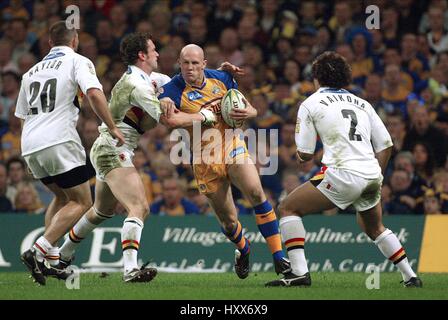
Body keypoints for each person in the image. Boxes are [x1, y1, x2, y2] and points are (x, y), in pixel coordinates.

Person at [58, 32, 214, 283]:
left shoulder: (149, 77)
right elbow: (170, 121)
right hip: (112, 150)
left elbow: (180, 80)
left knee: (100, 211)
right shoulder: (136, 85)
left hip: (109, 147)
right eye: (153, 50)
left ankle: (61, 254)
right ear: (142, 55)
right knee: (139, 207)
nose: (158, 54)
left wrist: (219, 75)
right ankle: (130, 268)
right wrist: (205, 116)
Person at [266, 51, 422, 288]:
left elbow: (305, 154)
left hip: (343, 173)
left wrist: (299, 155)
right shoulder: (363, 103)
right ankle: (410, 276)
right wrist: (377, 175)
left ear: (317, 77)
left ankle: (298, 273)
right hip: (371, 174)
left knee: (288, 207)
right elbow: (386, 145)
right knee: (374, 227)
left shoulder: (310, 103)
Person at [158, 44, 290, 279]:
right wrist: (202, 115)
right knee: (229, 223)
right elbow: (171, 121)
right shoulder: (172, 89)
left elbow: (245, 106)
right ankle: (243, 248)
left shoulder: (221, 78)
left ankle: (279, 257)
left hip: (233, 147)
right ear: (179, 63)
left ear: (204, 64)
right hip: (205, 161)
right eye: (185, 63)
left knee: (257, 193)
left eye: (195, 63)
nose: (190, 67)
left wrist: (251, 113)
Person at [15, 21, 125, 285]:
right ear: (74, 41)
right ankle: (38, 250)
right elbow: (94, 94)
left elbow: (21, 115)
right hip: (60, 139)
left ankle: (51, 261)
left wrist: (27, 151)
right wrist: (111, 127)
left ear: (50, 43)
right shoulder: (78, 61)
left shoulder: (30, 72)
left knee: (62, 196)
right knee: (82, 201)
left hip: (30, 142)